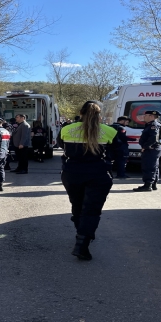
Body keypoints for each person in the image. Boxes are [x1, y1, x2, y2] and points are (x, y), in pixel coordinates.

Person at [58, 100, 117, 261]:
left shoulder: (66, 129)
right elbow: (117, 152)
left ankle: (81, 232)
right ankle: (82, 243)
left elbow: (61, 145)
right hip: (98, 174)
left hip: (72, 174)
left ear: (81, 113)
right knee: (91, 210)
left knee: (77, 205)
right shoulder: (110, 131)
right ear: (100, 115)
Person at [133, 110, 161, 192]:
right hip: (153, 148)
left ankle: (147, 185)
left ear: (151, 116)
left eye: (145, 115)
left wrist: (145, 146)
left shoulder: (153, 125)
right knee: (154, 166)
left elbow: (154, 138)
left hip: (151, 148)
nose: (144, 117)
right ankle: (153, 184)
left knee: (149, 166)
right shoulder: (150, 125)